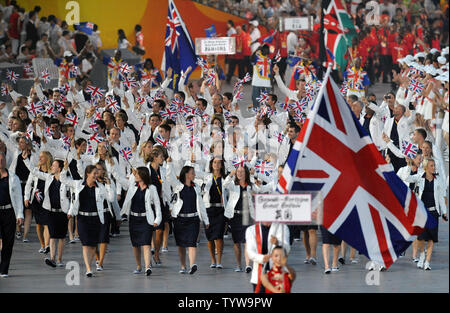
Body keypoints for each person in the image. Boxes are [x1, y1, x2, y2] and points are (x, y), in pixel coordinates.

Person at [61, 163, 115, 277]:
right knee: (85, 244)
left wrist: (109, 185)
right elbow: (63, 179)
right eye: (94, 173)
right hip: (82, 218)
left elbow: (111, 198)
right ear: (87, 174)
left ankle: (90, 264)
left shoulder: (100, 187)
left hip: (96, 218)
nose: (96, 175)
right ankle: (88, 268)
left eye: (97, 173)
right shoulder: (78, 184)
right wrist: (65, 168)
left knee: (92, 245)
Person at [24, 158, 69, 267]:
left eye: (54, 166)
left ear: (59, 168)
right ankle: (52, 259)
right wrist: (26, 160)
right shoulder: (49, 177)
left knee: (62, 237)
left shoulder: (67, 180)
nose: (51, 167)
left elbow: (72, 196)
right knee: (53, 236)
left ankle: (59, 259)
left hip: (62, 212)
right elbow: (35, 172)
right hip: (51, 211)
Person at [404, 158, 448, 270]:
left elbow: (441, 198)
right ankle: (422, 256)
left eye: (434, 166)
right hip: (422, 212)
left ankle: (427, 262)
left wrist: (444, 212)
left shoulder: (438, 180)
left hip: (433, 212)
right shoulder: (419, 177)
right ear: (426, 167)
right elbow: (406, 178)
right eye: (431, 166)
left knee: (432, 238)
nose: (433, 168)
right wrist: (409, 166)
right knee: (421, 238)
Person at [117, 167, 161, 276]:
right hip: (134, 219)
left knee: (146, 243)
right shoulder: (132, 186)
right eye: (136, 174)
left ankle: (147, 267)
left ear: (143, 175)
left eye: (138, 174)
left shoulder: (152, 188)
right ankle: (138, 265)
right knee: (135, 244)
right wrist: (113, 166)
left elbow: (157, 204)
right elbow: (119, 178)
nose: (136, 176)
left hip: (146, 219)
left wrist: (157, 219)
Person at [167, 164, 210, 274]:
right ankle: (183, 266)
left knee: (192, 243)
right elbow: (169, 176)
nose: (194, 175)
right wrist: (169, 163)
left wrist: (206, 220)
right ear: (186, 174)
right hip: (180, 220)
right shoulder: (177, 185)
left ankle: (192, 265)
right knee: (181, 244)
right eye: (192, 173)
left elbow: (201, 205)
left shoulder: (196, 187)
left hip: (193, 220)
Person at [245, 222, 290, 293]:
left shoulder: (282, 228)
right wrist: (262, 258)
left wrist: (278, 243)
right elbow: (250, 252)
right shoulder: (251, 230)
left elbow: (287, 249)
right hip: (259, 275)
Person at [0, 152, 24, 278]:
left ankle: (4, 269)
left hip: (9, 212)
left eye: (2, 159)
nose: (1, 162)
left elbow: (18, 197)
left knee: (8, 242)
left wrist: (20, 214)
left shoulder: (13, 177)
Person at [24, 151, 52, 253]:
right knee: (39, 224)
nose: (40, 159)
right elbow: (28, 184)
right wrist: (26, 197)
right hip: (36, 200)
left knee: (47, 223)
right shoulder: (35, 170)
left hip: (47, 200)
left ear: (47, 159)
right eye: (39, 157)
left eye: (42, 157)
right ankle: (42, 244)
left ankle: (47, 245)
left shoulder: (51, 172)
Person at [202, 157, 227, 269]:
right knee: (210, 237)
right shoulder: (206, 177)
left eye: (219, 163)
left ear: (221, 165)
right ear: (211, 164)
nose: (216, 164)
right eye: (214, 162)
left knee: (219, 236)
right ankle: (212, 260)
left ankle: (219, 261)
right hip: (208, 209)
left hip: (221, 209)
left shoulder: (226, 178)